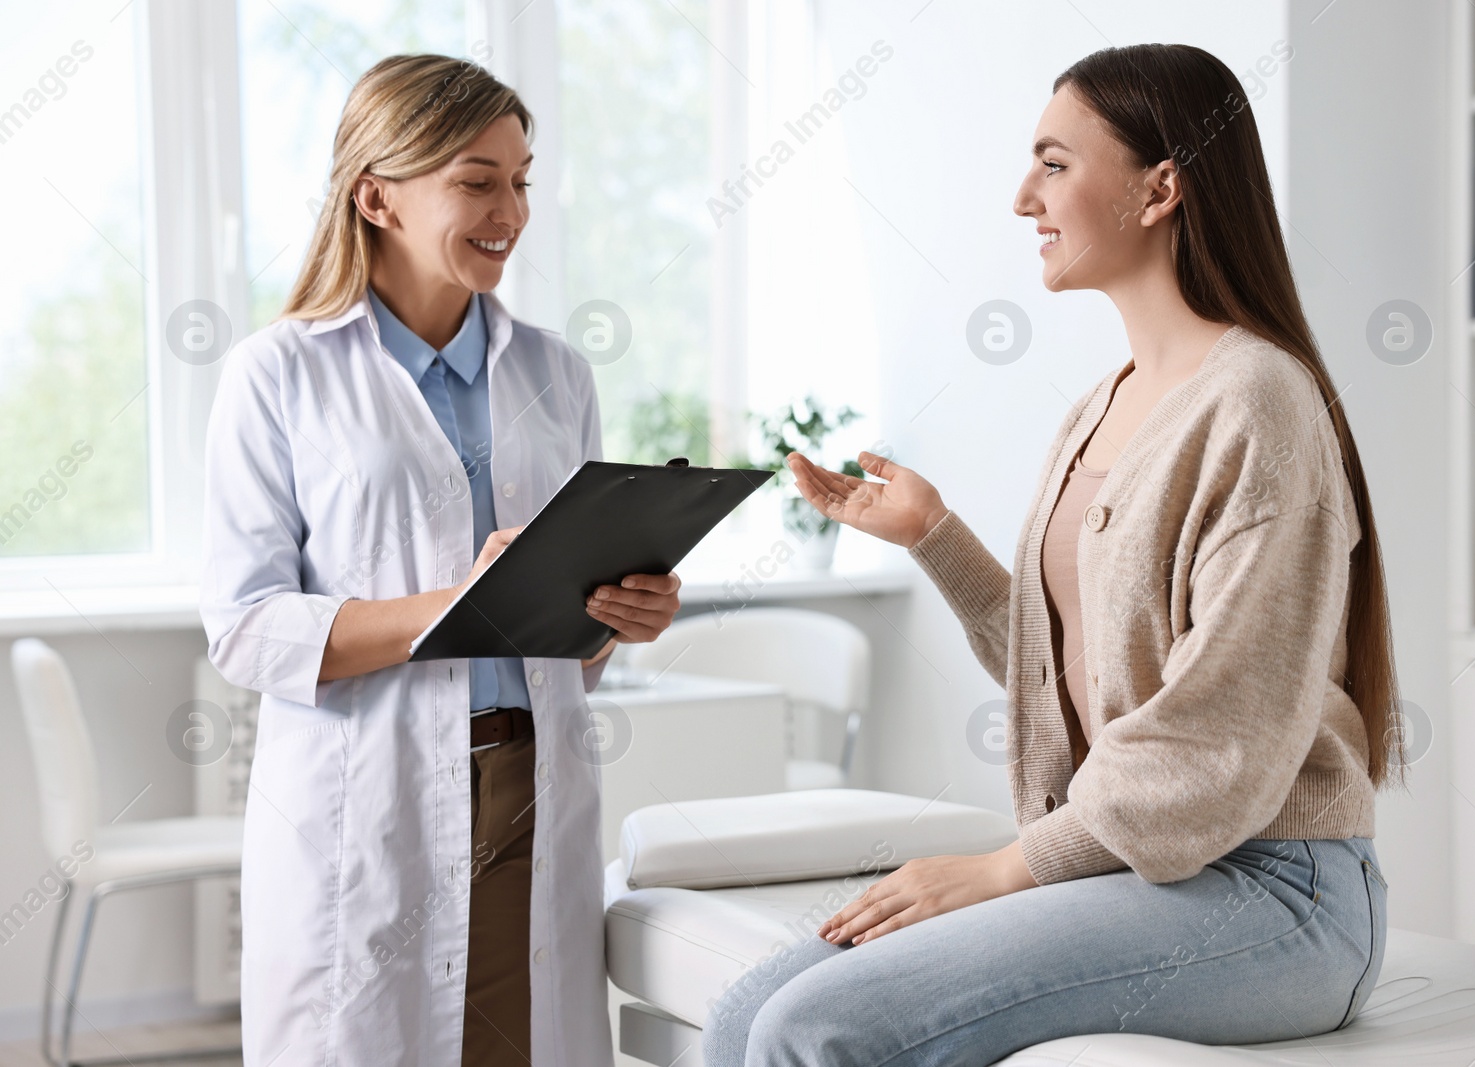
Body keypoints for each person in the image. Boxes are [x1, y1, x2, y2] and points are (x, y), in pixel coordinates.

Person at [701, 42, 1402, 1066]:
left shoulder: (1259, 403)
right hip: (1142, 869)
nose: (1022, 196)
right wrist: (934, 539)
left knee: (818, 1027)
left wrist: (1006, 866)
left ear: (1161, 186)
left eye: (1054, 162)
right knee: (739, 1020)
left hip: (1277, 891)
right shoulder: (1100, 406)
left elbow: (1219, 733)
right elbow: (1065, 663)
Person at [199, 54, 682, 1066]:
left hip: (528, 776)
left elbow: (567, 646)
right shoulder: (277, 375)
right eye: (476, 180)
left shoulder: (556, 371)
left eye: (521, 180)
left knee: (515, 1047)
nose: (510, 209)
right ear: (377, 195)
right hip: (367, 791)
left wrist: (614, 614)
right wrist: (451, 600)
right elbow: (245, 625)